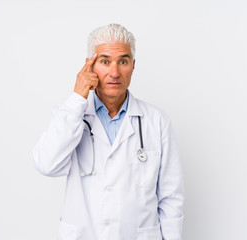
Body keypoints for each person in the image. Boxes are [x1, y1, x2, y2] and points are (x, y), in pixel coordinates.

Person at [32, 23, 184, 240]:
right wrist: (77, 98)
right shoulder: (72, 116)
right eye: (105, 61)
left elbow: (171, 198)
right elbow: (46, 164)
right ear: (90, 66)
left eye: (123, 61)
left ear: (133, 65)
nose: (114, 72)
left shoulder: (156, 121)